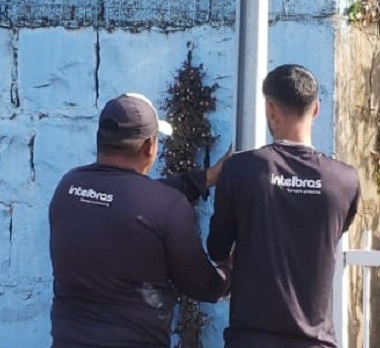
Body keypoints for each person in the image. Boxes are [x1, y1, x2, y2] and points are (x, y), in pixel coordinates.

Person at [49, 92, 231, 348]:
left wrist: (206, 178)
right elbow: (203, 286)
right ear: (149, 146)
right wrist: (230, 271)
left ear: (101, 139)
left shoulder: (68, 186)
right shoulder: (166, 206)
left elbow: (129, 199)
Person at [207, 64, 361, 348]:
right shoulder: (345, 180)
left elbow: (217, 248)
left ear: (270, 109)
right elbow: (333, 234)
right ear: (316, 109)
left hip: (250, 339)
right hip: (315, 341)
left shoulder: (240, 170)